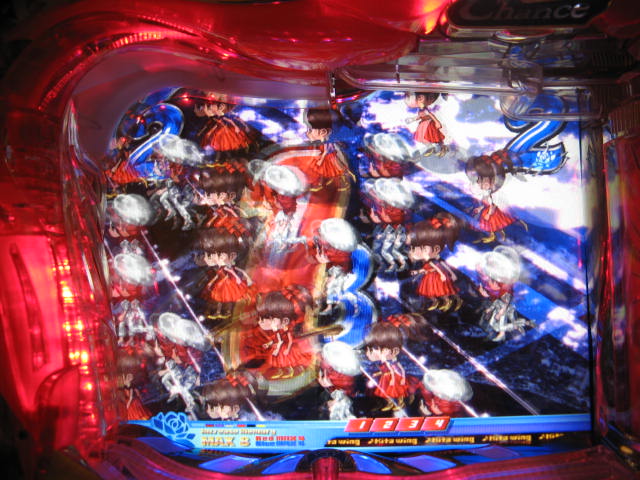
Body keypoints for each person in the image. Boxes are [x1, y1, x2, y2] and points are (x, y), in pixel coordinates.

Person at [407, 213, 463, 311]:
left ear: (436, 249)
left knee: (442, 291)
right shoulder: (427, 260)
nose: (415, 252)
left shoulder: (432, 259)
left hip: (436, 277)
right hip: (431, 276)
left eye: (422, 249)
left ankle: (448, 301)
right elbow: (433, 266)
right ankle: (439, 302)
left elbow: (439, 265)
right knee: (432, 292)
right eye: (413, 248)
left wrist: (446, 273)